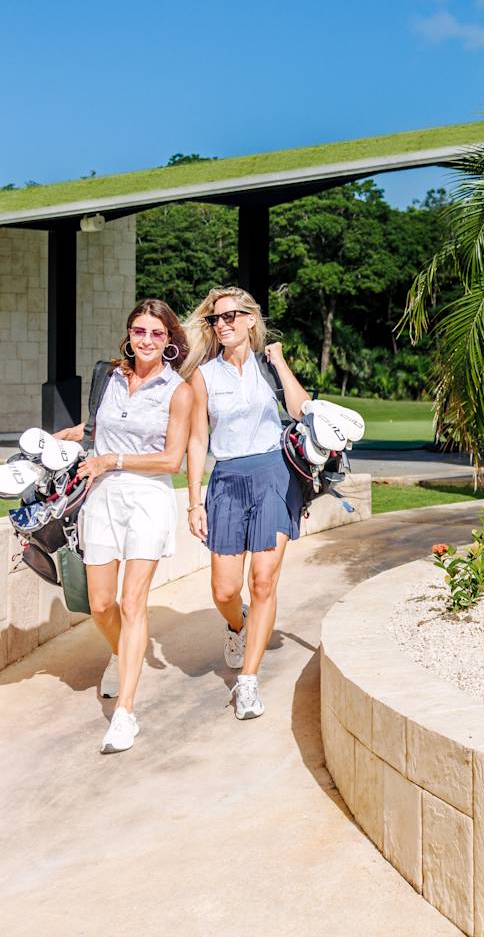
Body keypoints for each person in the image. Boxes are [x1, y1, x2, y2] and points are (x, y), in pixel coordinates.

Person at [53, 298, 195, 754]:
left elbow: (171, 460)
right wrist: (65, 436)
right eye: (139, 331)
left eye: (156, 333)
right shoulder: (109, 376)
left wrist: (111, 460)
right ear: (129, 335)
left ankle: (125, 712)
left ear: (169, 339)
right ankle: (122, 652)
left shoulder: (179, 391)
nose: (146, 340)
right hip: (101, 499)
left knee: (133, 601)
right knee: (100, 605)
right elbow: (99, 425)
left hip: (147, 499)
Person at [183, 287, 310, 720]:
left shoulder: (268, 367)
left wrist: (280, 362)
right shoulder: (204, 376)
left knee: (263, 582)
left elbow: (301, 410)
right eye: (215, 319)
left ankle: (248, 681)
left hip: (274, 476)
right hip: (227, 481)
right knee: (224, 590)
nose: (223, 325)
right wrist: (194, 500)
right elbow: (197, 439)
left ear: (250, 319)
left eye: (231, 316)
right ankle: (237, 624)